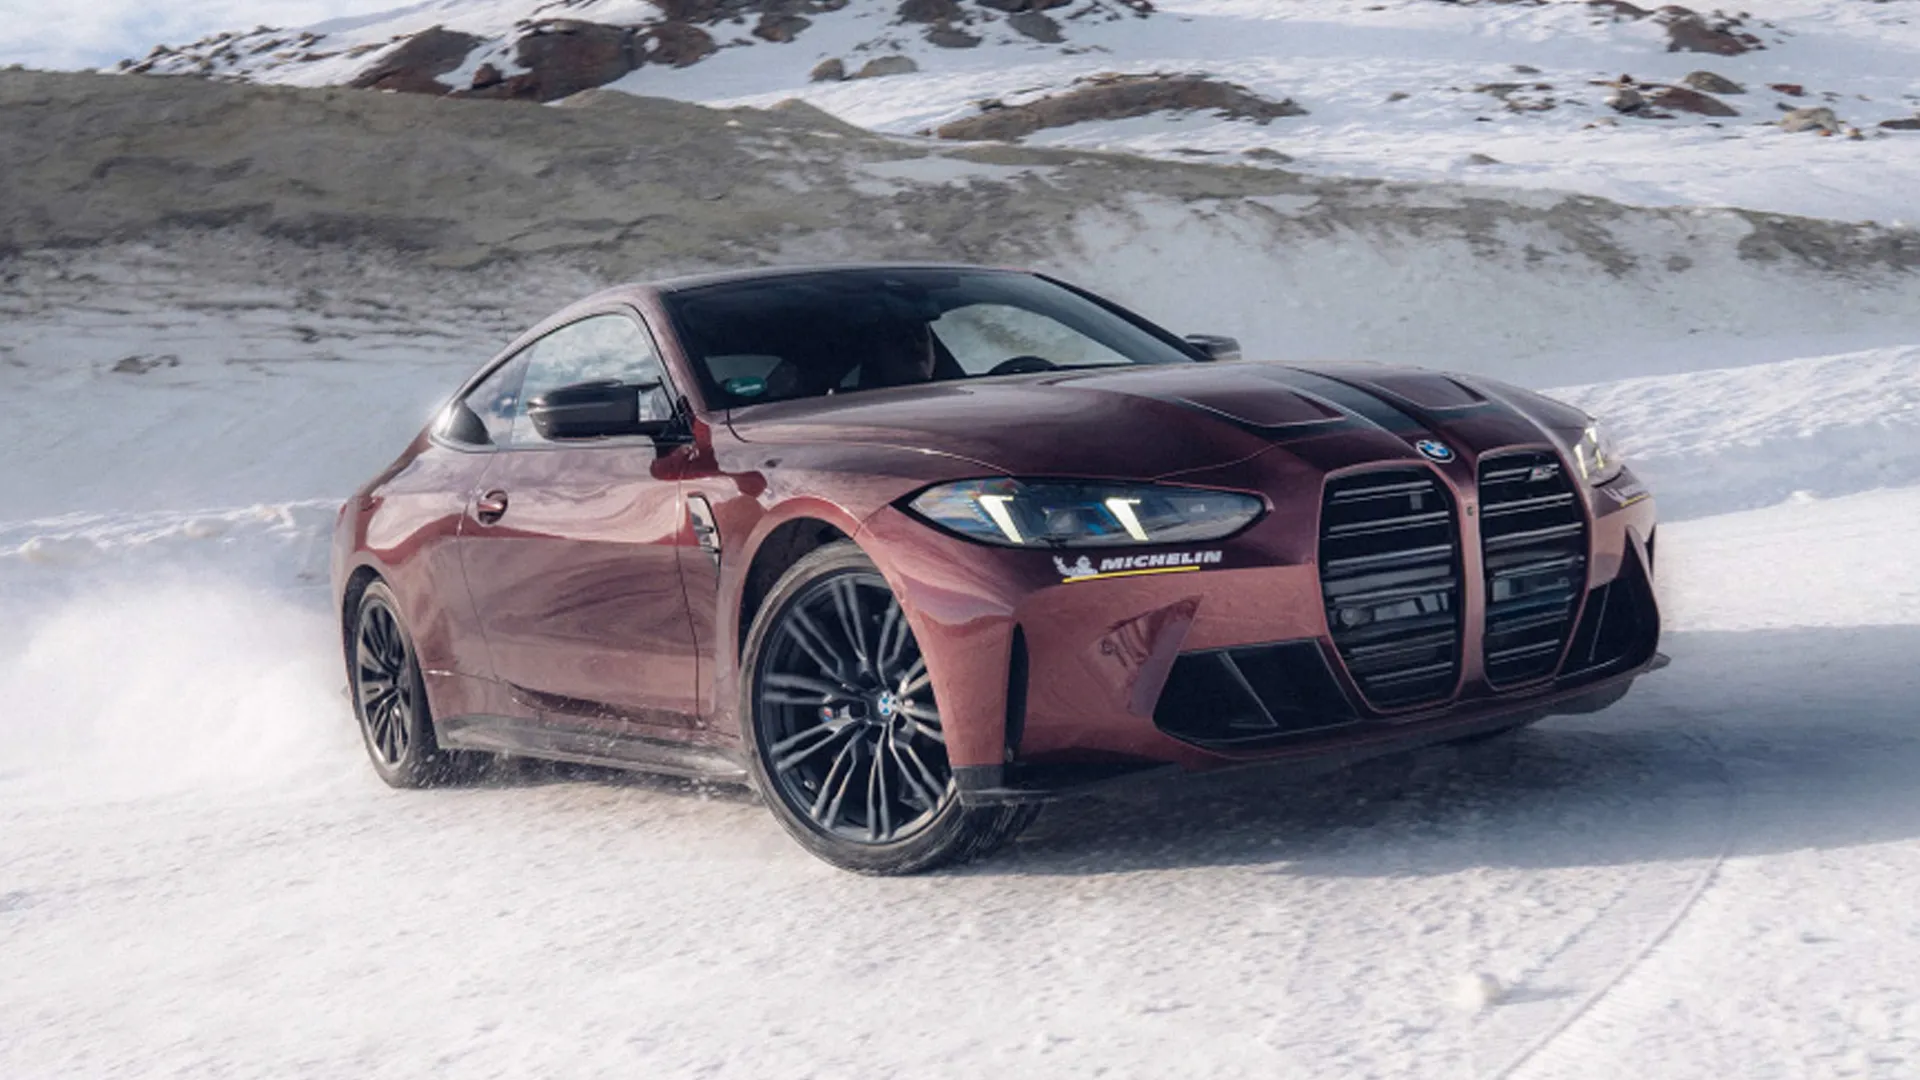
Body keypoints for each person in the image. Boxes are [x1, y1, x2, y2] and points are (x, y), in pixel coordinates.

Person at [861, 318, 938, 389]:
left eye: (921, 334)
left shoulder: (947, 396)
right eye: (900, 338)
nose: (914, 344)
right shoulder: (859, 401)